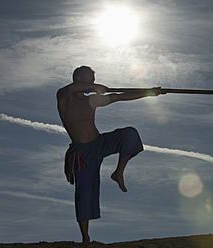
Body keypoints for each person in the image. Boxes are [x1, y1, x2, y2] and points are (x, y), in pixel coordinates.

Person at [57, 66, 162, 243]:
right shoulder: (63, 96)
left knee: (130, 134)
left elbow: (119, 96)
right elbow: (72, 88)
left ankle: (118, 172)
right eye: (90, 79)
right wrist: (96, 87)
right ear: (79, 79)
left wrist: (149, 92)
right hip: (82, 152)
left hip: (100, 143)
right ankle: (85, 238)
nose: (93, 82)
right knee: (85, 192)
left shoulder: (91, 100)